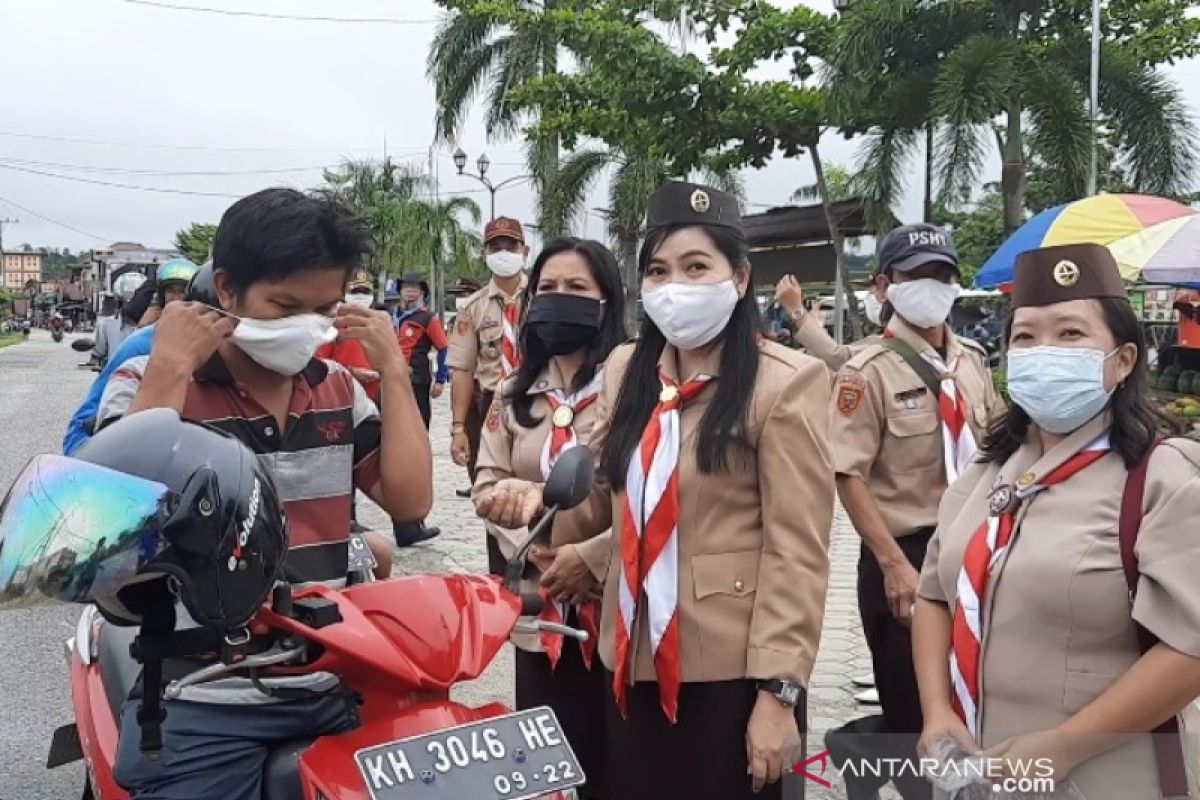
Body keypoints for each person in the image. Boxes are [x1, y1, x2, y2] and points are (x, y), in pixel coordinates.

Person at [476, 182, 835, 800]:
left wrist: (779, 692)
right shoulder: (627, 370)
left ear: (740, 278)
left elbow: (797, 551)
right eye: (660, 271)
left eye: (697, 268)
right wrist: (551, 509)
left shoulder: (785, 384)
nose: (677, 286)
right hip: (629, 655)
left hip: (730, 669)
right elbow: (619, 495)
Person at [94, 187, 433, 800]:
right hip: (200, 689)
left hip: (333, 675)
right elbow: (121, 523)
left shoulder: (335, 388)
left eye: (325, 308)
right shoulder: (147, 381)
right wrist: (170, 367)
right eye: (284, 306)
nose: (308, 326)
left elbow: (410, 502)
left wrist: (395, 376)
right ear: (226, 289)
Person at [913, 243, 1200, 800]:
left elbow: (1190, 647)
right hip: (978, 771)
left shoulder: (1163, 479)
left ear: (1122, 360)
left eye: (1070, 334)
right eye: (1025, 337)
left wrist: (1064, 746)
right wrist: (934, 713)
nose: (1043, 351)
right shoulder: (988, 470)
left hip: (1107, 775)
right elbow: (934, 595)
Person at [827, 223, 1004, 800]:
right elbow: (846, 472)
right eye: (916, 276)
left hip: (975, 548)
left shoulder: (973, 361)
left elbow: (996, 444)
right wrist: (891, 565)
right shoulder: (866, 371)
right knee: (912, 708)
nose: (932, 286)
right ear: (884, 285)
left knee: (970, 694)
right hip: (905, 554)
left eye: (942, 275)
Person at [473, 237, 626, 800]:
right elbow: (486, 485)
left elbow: (648, 493)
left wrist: (594, 552)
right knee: (550, 756)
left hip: (617, 602)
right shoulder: (513, 393)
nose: (560, 299)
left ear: (607, 301)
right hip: (541, 608)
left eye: (578, 289)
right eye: (549, 289)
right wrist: (522, 517)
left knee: (617, 756)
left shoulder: (631, 386)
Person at [64, 264, 221, 456]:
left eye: (182, 292)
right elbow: (86, 424)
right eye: (171, 291)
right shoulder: (140, 344)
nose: (177, 299)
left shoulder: (237, 353)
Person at [448, 217, 530, 487]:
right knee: (491, 488)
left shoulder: (543, 298)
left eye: (511, 246)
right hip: (491, 404)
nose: (503, 254)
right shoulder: (473, 308)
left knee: (535, 485)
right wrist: (459, 428)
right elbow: (462, 369)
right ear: (484, 254)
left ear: (525, 252)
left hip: (536, 399)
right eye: (495, 248)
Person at [775, 274, 887, 371]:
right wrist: (817, 329)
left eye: (874, 289)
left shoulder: (887, 346)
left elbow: (839, 359)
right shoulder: (886, 340)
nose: (872, 295)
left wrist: (797, 311)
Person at [93, 272, 147, 366]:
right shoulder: (105, 325)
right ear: (119, 303)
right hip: (115, 377)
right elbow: (96, 357)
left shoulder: (158, 326)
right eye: (129, 303)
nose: (135, 307)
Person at [138, 258, 199, 328]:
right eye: (170, 291)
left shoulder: (201, 323)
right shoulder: (150, 321)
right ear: (162, 294)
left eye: (181, 291)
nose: (175, 297)